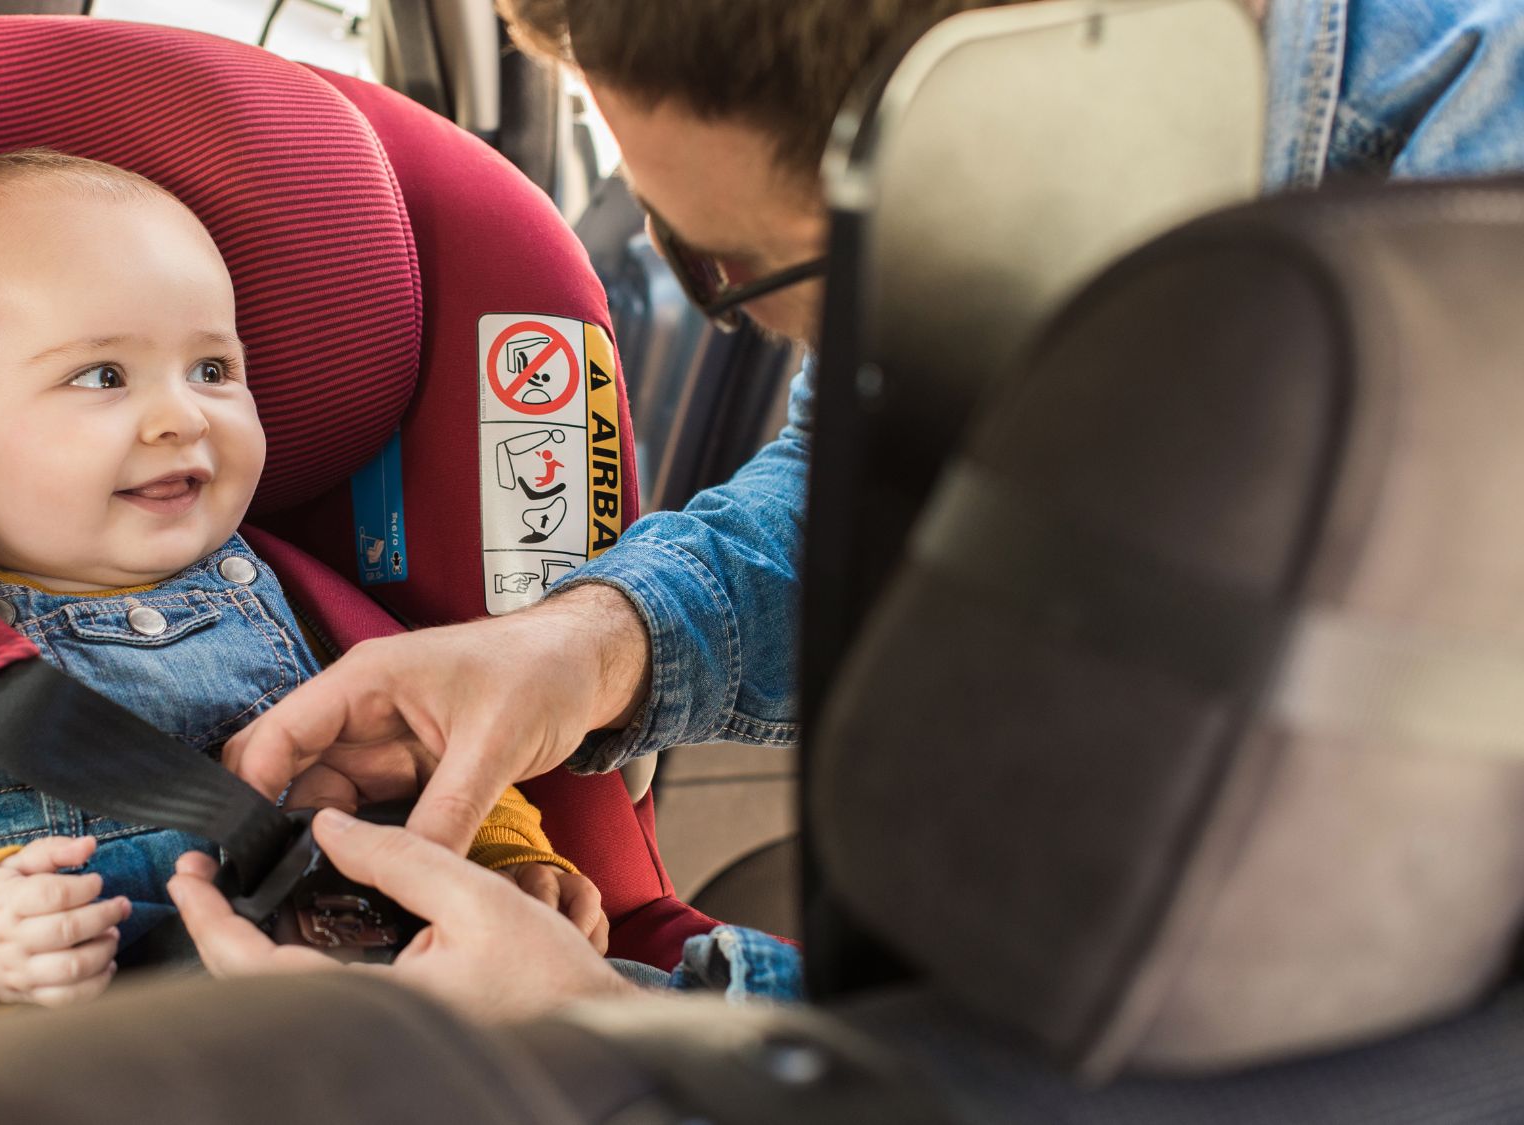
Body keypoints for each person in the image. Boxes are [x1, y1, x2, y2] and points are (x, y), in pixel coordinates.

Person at [180, 0, 1524, 1017]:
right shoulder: (1023, 191)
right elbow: (885, 459)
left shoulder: (1478, 259)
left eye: (733, 265)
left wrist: (620, 1038)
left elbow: (1314, 1040)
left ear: (1005, 125)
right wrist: (590, 645)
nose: (724, 295)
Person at [0, 149, 607, 1013]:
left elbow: (431, 745)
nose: (181, 417)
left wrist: (507, 858)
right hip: (130, 1049)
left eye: (212, 369)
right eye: (102, 377)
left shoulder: (298, 599)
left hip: (391, 997)